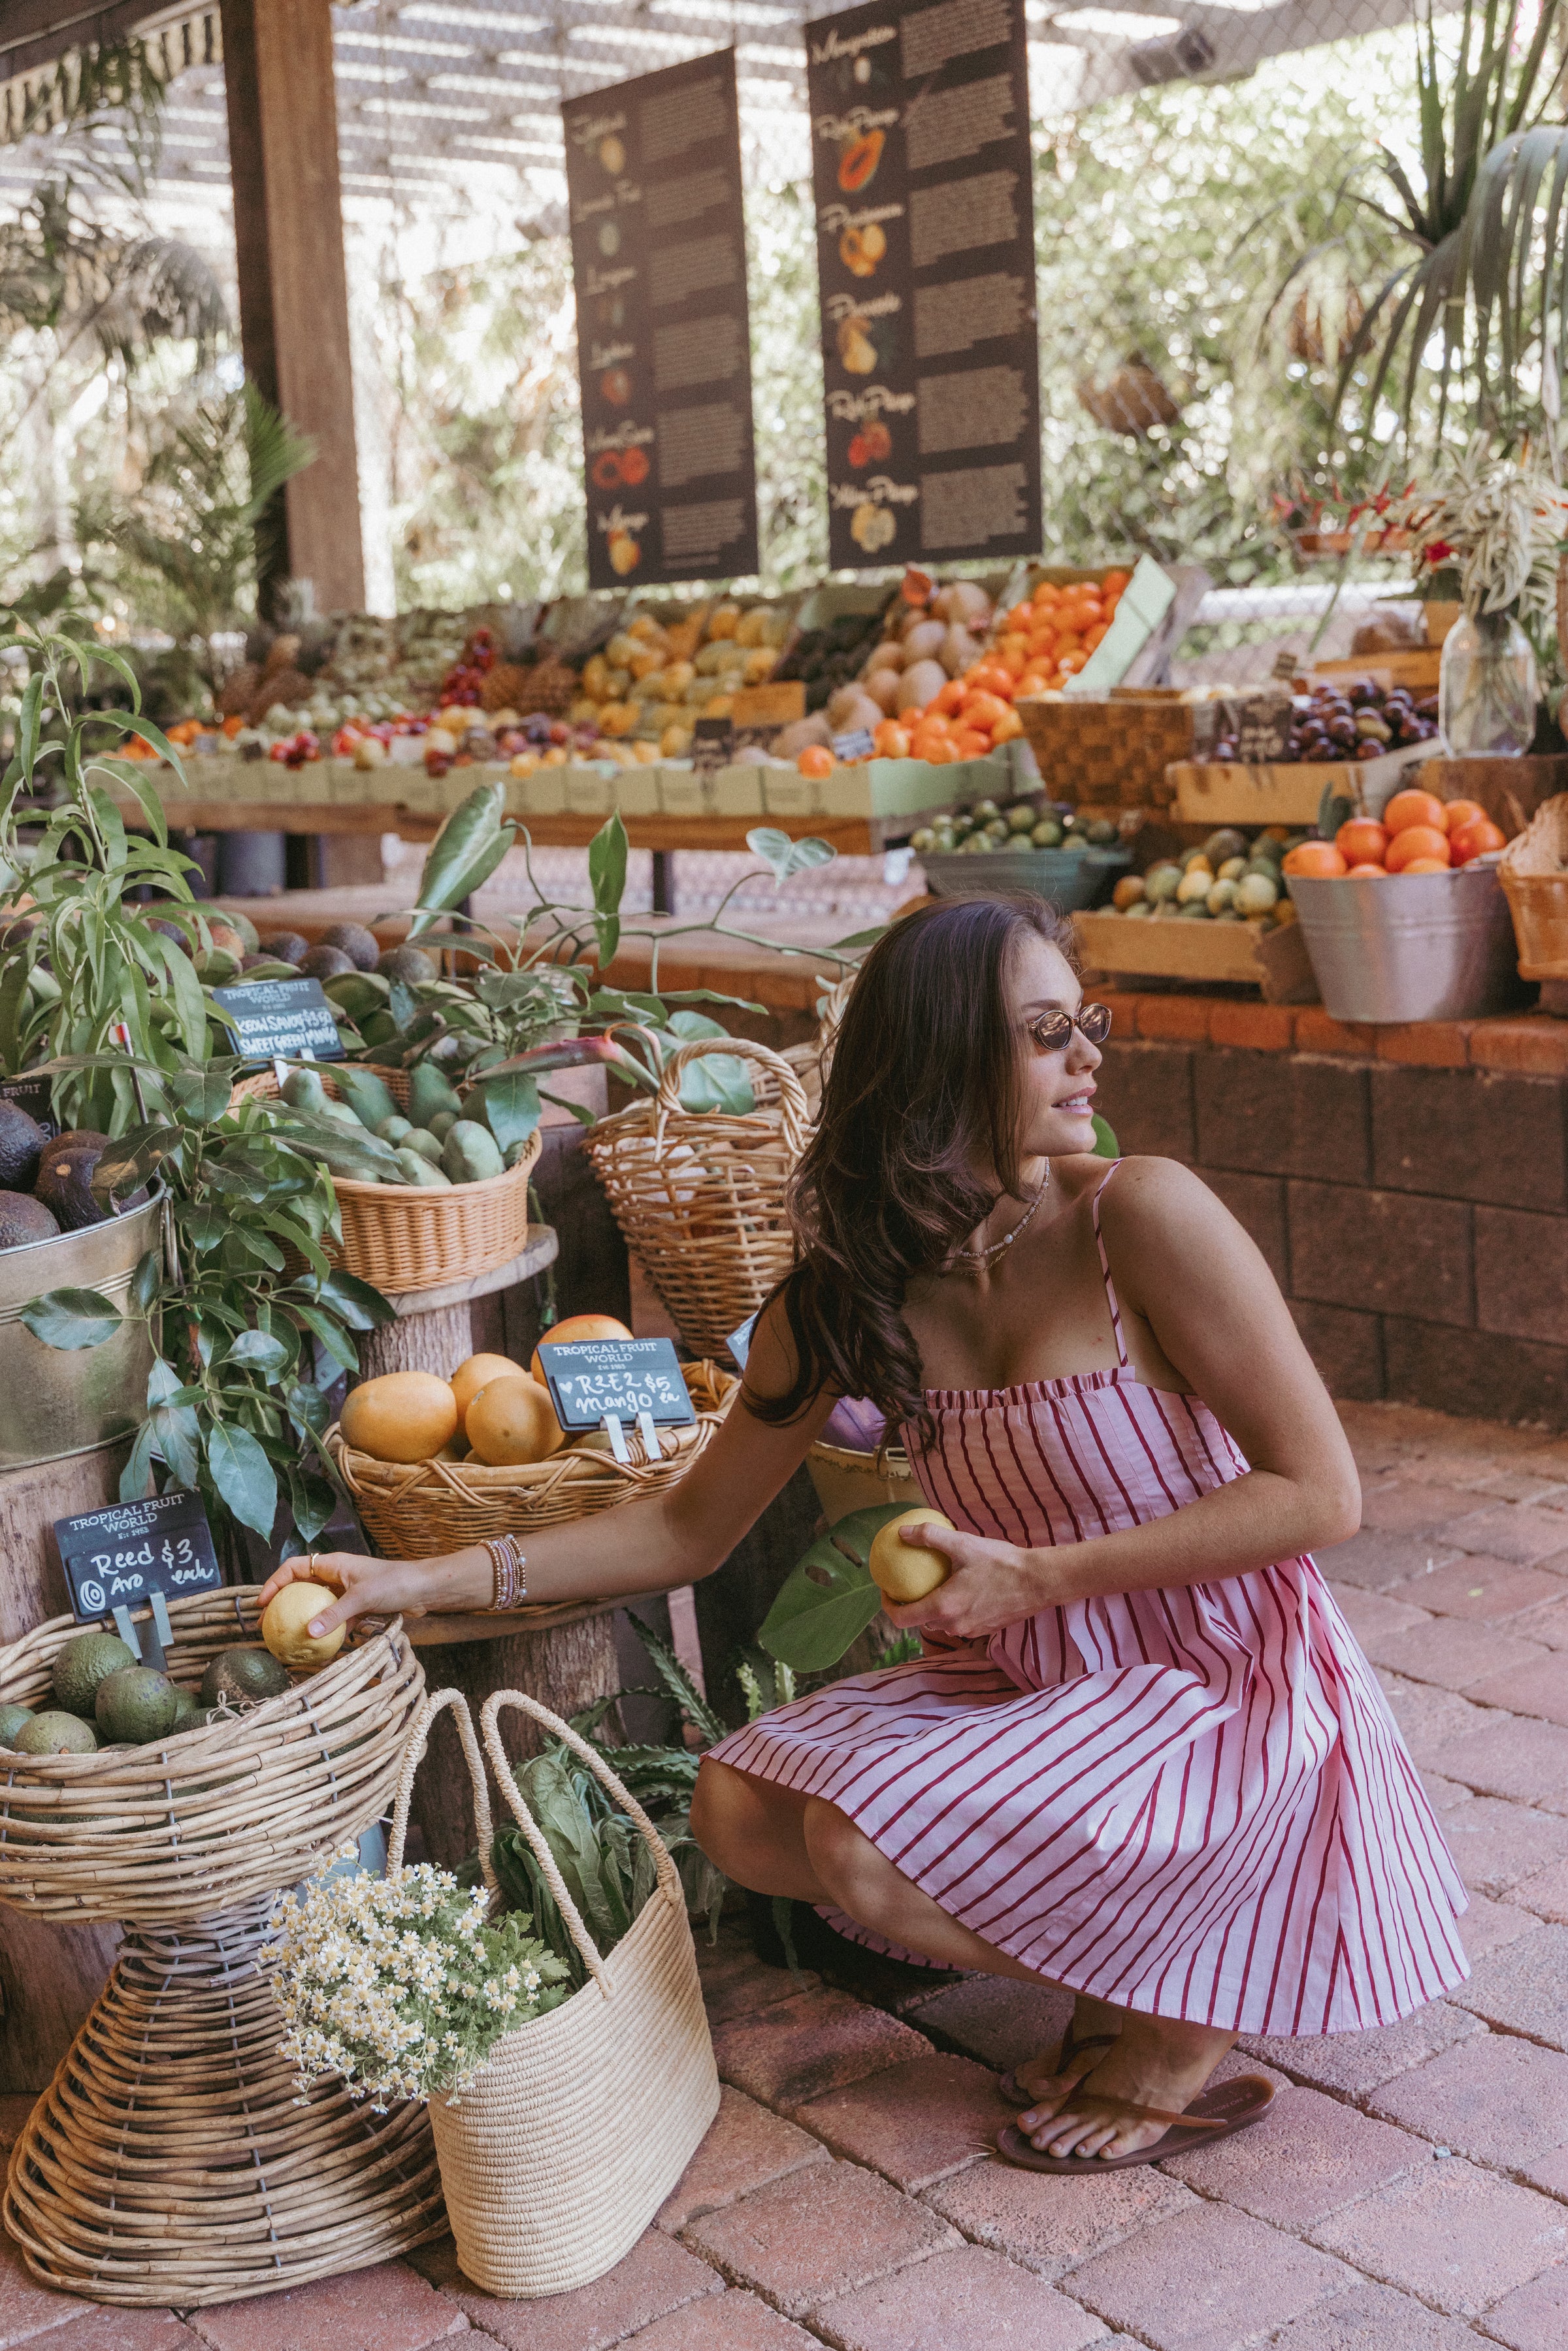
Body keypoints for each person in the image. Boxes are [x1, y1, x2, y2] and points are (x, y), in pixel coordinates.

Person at [261, 893, 1468, 2173]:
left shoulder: (1141, 1216)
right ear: (944, 1058)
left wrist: (1041, 1573)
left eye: (1086, 1025)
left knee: (862, 1848)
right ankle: (1154, 1944)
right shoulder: (850, 1293)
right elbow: (683, 1527)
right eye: (1048, 1032)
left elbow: (1322, 1494)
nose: (1091, 1059)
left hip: (1229, 1687)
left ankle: (1188, 2001)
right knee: (743, 1810)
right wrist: (421, 1576)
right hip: (1043, 1684)